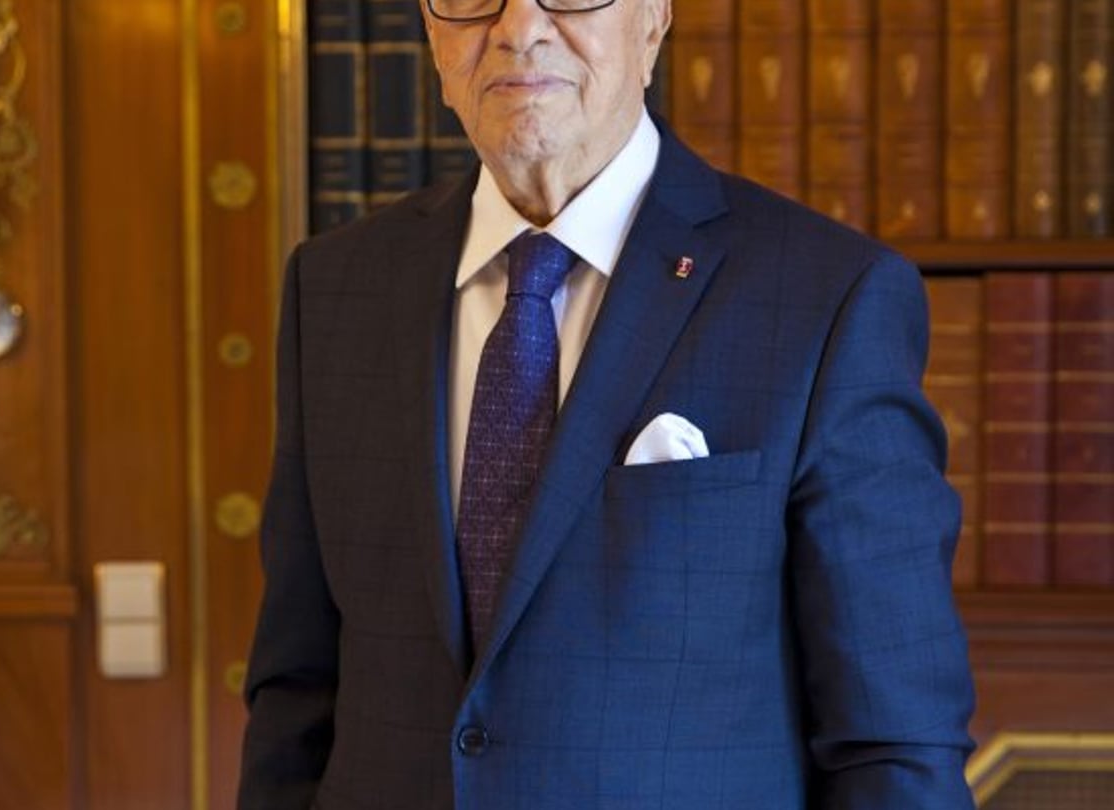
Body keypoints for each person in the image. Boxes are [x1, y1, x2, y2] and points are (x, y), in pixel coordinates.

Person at [237, 0, 977, 806]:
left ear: (654, 20)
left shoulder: (825, 294)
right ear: (430, 31)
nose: (519, 27)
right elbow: (296, 690)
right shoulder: (336, 285)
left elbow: (893, 740)